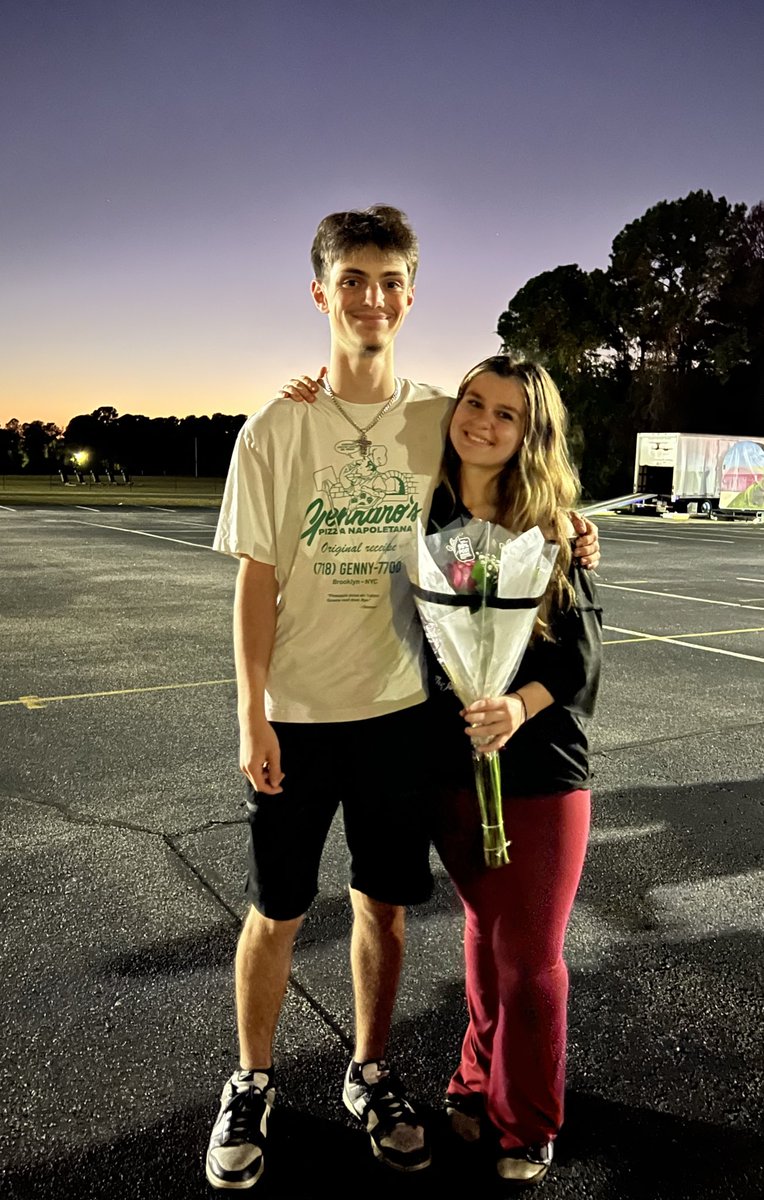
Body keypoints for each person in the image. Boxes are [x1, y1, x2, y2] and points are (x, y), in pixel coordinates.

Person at [206, 205, 600, 1191]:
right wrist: (251, 710)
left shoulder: (437, 414)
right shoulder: (275, 426)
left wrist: (576, 528)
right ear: (320, 293)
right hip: (297, 714)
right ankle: (250, 1080)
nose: (370, 298)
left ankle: (369, 1073)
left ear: (411, 297)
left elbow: (514, 464)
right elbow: (257, 579)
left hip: (396, 717)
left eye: (388, 282)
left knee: (382, 910)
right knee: (275, 910)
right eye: (351, 280)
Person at [424, 355, 602, 1186]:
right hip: (448, 769)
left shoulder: (553, 524)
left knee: (528, 955)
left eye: (508, 414)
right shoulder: (422, 513)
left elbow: (581, 659)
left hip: (540, 771)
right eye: (473, 402)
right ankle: (474, 1077)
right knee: (484, 937)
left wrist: (515, 707)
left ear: (531, 434)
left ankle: (528, 1118)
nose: (483, 422)